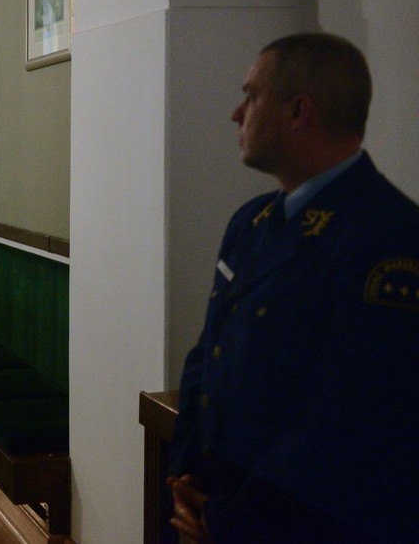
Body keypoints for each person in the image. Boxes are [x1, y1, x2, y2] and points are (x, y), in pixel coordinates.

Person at [167, 33, 419, 543]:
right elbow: (208, 354)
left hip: (307, 524)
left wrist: (228, 519)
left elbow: (349, 419)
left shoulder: (388, 236)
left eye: (251, 96)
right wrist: (187, 474)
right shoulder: (251, 221)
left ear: (299, 111)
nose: (237, 114)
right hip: (220, 500)